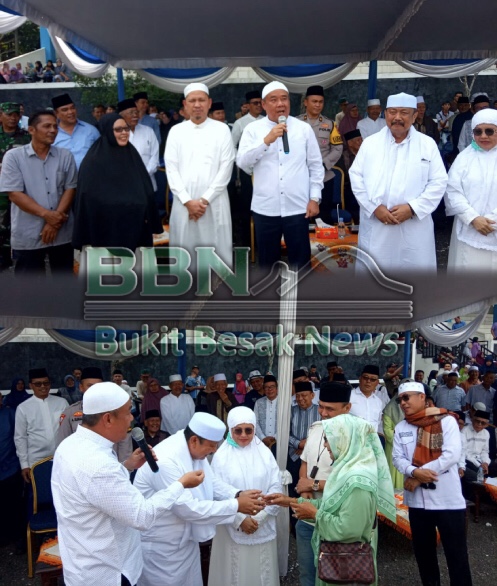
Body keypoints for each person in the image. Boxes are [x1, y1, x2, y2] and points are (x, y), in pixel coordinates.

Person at [52, 382, 204, 586]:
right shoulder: (99, 464)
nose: (132, 418)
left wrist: (127, 466)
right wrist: (180, 484)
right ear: (107, 419)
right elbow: (141, 516)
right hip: (108, 572)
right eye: (127, 412)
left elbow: (95, 491)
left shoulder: (70, 445)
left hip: (82, 563)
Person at [133, 412, 265, 586]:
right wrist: (236, 506)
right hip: (161, 549)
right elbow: (189, 509)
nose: (214, 450)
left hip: (186, 542)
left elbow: (210, 481)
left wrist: (237, 494)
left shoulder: (193, 450)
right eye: (212, 446)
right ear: (194, 440)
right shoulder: (165, 460)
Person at [267, 413, 396, 586]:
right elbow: (332, 504)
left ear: (346, 440)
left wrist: (315, 514)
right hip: (340, 562)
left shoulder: (358, 482)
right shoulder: (347, 470)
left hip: (347, 568)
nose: (325, 445)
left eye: (328, 439)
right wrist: (290, 501)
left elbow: (349, 530)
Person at [349, 92, 447, 274]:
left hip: (414, 225)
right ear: (385, 114)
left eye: (404, 112)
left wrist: (412, 208)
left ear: (415, 116)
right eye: (392, 112)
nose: (397, 118)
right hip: (378, 224)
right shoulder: (370, 144)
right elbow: (356, 177)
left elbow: (439, 182)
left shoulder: (427, 144)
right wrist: (374, 207)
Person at [237, 81, 324, 269]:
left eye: (284, 99)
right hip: (266, 208)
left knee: (301, 263)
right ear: (263, 104)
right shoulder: (253, 130)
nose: (280, 104)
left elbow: (316, 166)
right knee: (268, 264)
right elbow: (242, 162)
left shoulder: (303, 129)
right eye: (274, 100)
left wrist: (315, 198)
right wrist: (266, 140)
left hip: (298, 207)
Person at [393, 381, 473, 586]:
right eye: (400, 399)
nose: (403, 403)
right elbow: (397, 458)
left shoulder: (446, 421)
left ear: (422, 397)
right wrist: (413, 472)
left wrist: (418, 476)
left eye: (406, 397)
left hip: (447, 501)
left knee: (456, 555)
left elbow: (451, 455)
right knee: (424, 555)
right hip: (417, 503)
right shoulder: (401, 427)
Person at [208, 406, 282, 586]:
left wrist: (260, 517)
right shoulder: (221, 457)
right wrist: (240, 519)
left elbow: (276, 486)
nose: (243, 435)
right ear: (230, 429)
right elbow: (216, 491)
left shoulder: (264, 453)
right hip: (232, 525)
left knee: (261, 570)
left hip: (261, 522)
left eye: (248, 430)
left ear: (254, 429)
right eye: (238, 430)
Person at [165, 82, 236, 269]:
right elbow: (171, 169)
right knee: (185, 251)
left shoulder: (222, 130)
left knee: (216, 251)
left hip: (214, 202)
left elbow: (226, 167)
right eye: (192, 101)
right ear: (185, 104)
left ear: (209, 103)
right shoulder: (176, 131)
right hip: (184, 203)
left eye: (201, 100)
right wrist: (188, 201)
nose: (197, 105)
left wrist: (204, 200)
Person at [0, 110, 77, 276]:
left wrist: (54, 222)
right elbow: (14, 194)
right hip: (28, 232)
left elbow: (70, 188)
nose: (53, 130)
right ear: (31, 130)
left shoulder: (65, 156)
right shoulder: (13, 157)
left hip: (61, 232)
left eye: (55, 126)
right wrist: (48, 216)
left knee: (64, 282)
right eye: (47, 126)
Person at [72, 113, 162, 252]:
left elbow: (145, 188)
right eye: (118, 130)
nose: (124, 133)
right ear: (108, 131)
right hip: (105, 229)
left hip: (134, 226)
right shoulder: (93, 160)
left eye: (126, 129)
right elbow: (88, 196)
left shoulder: (132, 154)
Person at [294, 381, 351, 586]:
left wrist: (313, 485)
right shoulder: (316, 428)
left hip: (336, 518)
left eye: (330, 409)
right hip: (308, 517)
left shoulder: (356, 436)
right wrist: (305, 491)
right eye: (321, 407)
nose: (323, 413)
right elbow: (305, 463)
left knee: (333, 576)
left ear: (347, 408)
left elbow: (353, 482)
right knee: (307, 573)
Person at [445, 108, 497, 272]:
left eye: (489, 131)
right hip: (469, 228)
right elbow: (452, 191)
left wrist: (493, 220)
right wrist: (472, 218)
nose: (483, 136)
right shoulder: (464, 158)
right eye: (478, 131)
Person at [55, 366, 133, 463]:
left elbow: (124, 443)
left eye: (98, 386)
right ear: (81, 387)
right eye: (90, 386)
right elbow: (63, 445)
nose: (94, 390)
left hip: (112, 465)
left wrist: (124, 468)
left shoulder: (116, 410)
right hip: (81, 466)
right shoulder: (70, 413)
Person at [297, 85, 343, 224]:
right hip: (299, 178)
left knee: (323, 219)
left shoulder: (330, 124)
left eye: (320, 102)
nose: (318, 105)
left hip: (324, 178)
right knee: (300, 218)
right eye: (314, 101)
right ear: (306, 102)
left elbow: (337, 148)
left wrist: (323, 164)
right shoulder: (295, 123)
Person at [14, 368, 68, 482]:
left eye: (46, 383)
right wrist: (24, 465)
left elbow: (69, 429)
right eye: (38, 384)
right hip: (36, 460)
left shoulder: (62, 402)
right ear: (31, 386)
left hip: (62, 457)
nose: (43, 386)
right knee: (40, 491)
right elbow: (20, 437)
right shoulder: (23, 408)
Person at [117, 98, 160, 190]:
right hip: (125, 185)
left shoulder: (148, 131)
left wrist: (144, 174)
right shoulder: (116, 134)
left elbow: (155, 157)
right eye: (131, 113)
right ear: (121, 116)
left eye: (136, 112)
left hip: (147, 182)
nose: (135, 115)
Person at [52, 93, 100, 168]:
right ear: (56, 113)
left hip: (89, 174)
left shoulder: (91, 130)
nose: (70, 112)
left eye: (72, 108)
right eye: (65, 110)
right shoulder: (52, 133)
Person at [458, 409, 490, 482]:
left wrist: (485, 462)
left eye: (483, 423)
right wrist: (479, 465)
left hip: (480, 461)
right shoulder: (465, 431)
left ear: (486, 425)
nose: (479, 424)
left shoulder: (486, 433)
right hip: (467, 460)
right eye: (477, 421)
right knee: (477, 477)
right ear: (472, 420)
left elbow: (485, 451)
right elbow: (464, 452)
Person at [382, 389, 405, 489]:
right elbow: (387, 429)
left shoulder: (414, 410)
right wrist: (401, 441)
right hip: (393, 445)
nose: (404, 402)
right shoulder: (390, 408)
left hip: (410, 447)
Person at [254, 374, 278, 450]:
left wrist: (275, 437)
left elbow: (287, 423)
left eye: (272, 387)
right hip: (261, 442)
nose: (269, 389)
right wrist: (263, 438)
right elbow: (255, 422)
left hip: (279, 442)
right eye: (267, 387)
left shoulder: (284, 403)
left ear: (277, 388)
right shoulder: (259, 402)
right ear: (264, 389)